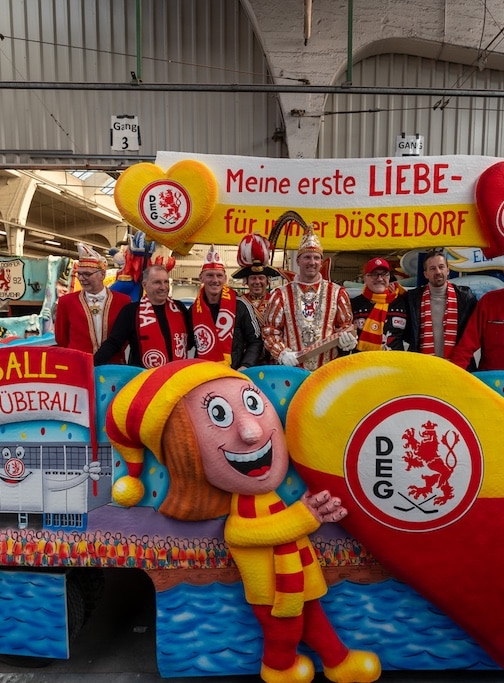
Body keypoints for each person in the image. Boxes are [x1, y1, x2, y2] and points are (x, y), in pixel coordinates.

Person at [106, 359, 381, 683]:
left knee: (313, 618)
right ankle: (279, 668)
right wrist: (305, 517)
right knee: (285, 631)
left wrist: (310, 510)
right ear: (187, 456)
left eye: (252, 402)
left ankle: (338, 660)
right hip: (272, 589)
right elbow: (243, 534)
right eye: (218, 414)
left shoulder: (272, 499)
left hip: (294, 579)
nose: (251, 432)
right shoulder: (245, 509)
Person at [262, 224, 357, 370]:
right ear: (298, 261)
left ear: (321, 262)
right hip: (292, 372)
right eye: (307, 257)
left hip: (328, 371)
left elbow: (345, 326)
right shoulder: (280, 294)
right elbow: (270, 330)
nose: (312, 262)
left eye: (316, 258)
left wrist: (347, 339)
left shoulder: (338, 293)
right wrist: (282, 353)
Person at [95, 263, 192, 367]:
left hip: (177, 375)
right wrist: (92, 363)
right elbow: (114, 343)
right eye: (157, 282)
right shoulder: (131, 311)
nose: (163, 287)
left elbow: (191, 341)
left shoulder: (179, 308)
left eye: (166, 282)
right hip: (144, 377)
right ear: (144, 285)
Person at [55, 243, 131, 363]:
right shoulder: (66, 302)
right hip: (78, 365)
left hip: (113, 367)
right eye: (79, 273)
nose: (81, 278)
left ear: (102, 274)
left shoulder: (123, 301)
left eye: (87, 274)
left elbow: (126, 337)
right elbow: (61, 337)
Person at [190, 245, 263, 370]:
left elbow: (256, 341)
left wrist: (245, 366)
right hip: (204, 373)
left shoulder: (240, 305)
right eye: (210, 275)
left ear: (225, 278)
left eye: (219, 275)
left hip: (235, 373)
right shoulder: (193, 310)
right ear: (201, 278)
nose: (215, 280)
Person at [405, 249, 476, 358]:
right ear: (426, 274)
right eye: (432, 268)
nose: (438, 272)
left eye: (441, 267)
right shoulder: (413, 298)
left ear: (448, 270)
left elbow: (474, 332)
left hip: (457, 365)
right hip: (423, 365)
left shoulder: (465, 297)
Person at [232, 234, 284, 365]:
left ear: (267, 281)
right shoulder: (238, 303)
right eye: (253, 278)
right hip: (246, 358)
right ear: (246, 282)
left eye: (261, 278)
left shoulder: (277, 300)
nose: (257, 282)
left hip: (272, 356)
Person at [349, 257, 408, 352]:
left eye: (384, 274)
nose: (380, 278)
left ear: (389, 277)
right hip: (363, 363)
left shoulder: (402, 302)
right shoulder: (353, 304)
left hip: (394, 364)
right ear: (365, 278)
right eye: (374, 274)